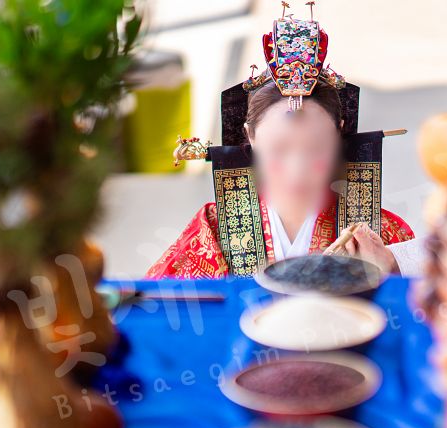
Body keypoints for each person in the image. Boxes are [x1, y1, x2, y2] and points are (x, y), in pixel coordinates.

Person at [147, 14, 414, 279]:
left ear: (338, 136)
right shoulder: (213, 230)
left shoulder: (377, 235)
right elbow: (153, 297)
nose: (297, 169)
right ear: (251, 136)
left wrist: (388, 269)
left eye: (316, 148)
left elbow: (423, 297)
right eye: (279, 150)